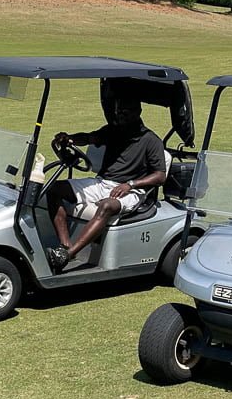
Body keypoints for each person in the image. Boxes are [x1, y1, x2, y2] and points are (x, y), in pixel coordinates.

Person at [45, 97, 166, 272]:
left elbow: (160, 176)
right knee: (54, 188)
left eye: (125, 112)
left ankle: (69, 255)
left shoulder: (151, 140)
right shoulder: (113, 130)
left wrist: (130, 184)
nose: (120, 115)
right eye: (118, 111)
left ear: (138, 112)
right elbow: (89, 138)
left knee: (107, 206)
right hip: (103, 182)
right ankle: (64, 247)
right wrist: (70, 139)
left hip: (133, 191)